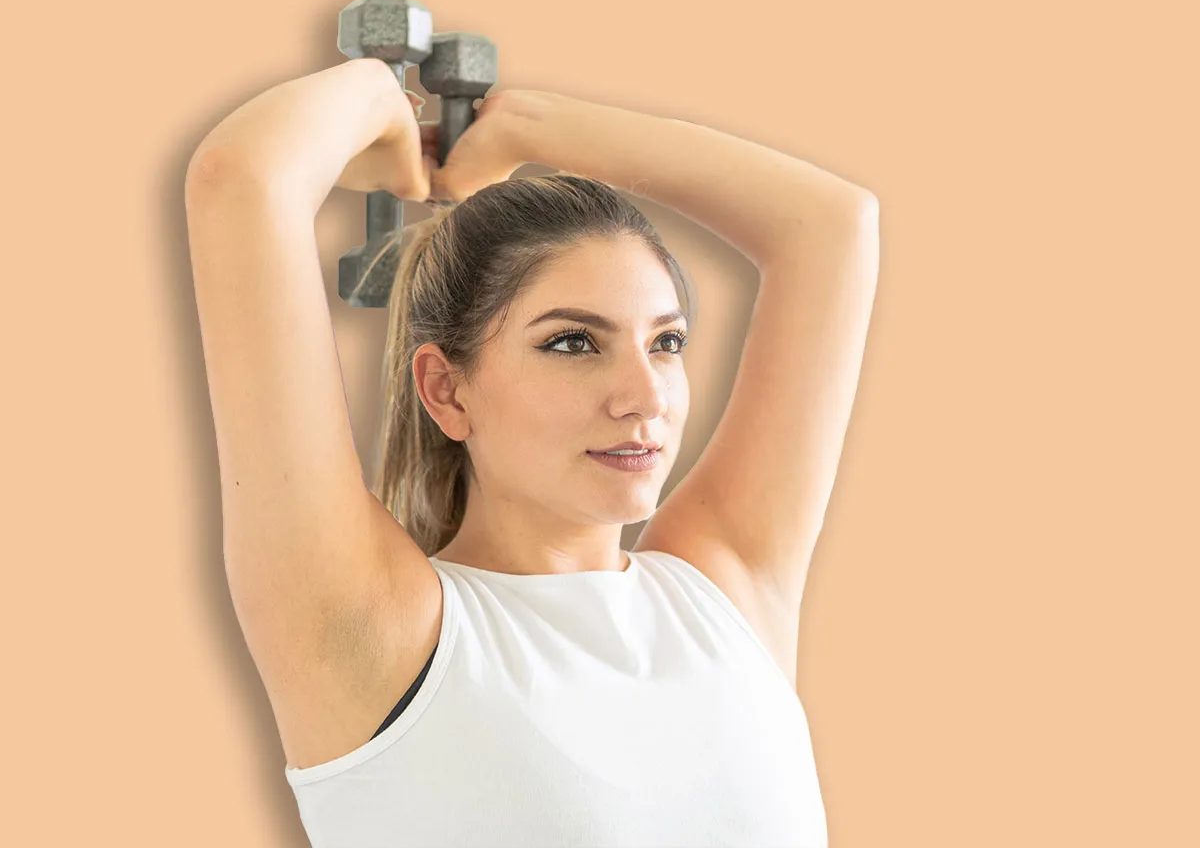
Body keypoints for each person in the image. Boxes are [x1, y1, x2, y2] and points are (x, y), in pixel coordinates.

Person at [185, 56, 877, 847]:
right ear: (447, 390)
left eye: (667, 341)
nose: (645, 396)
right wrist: (387, 99)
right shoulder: (379, 635)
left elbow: (836, 225)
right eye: (575, 342)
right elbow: (241, 177)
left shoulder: (726, 595)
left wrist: (530, 127)